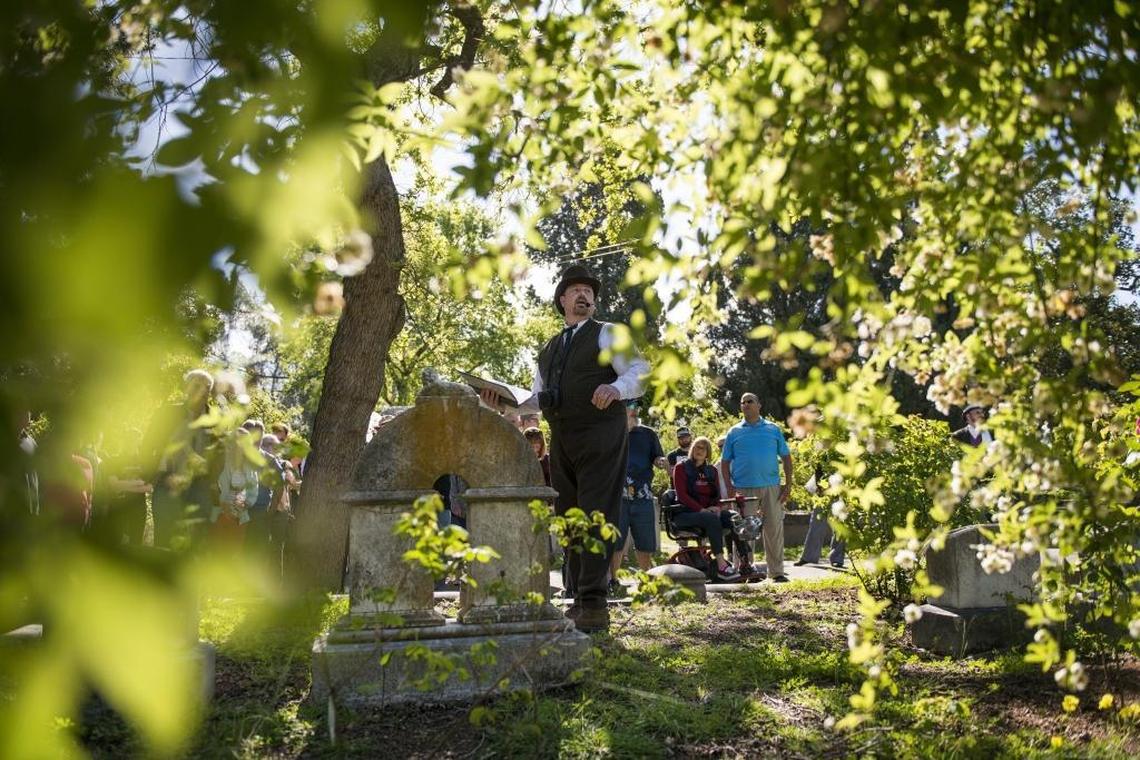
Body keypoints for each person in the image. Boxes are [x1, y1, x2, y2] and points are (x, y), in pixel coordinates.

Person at [488, 264, 648, 633]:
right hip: (563, 441)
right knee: (569, 516)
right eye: (575, 289)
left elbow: (640, 370)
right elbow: (534, 400)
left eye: (589, 291)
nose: (584, 295)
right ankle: (577, 597)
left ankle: (594, 604)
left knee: (595, 513)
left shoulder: (609, 333)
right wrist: (503, 403)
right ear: (562, 299)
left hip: (601, 438)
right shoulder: (549, 348)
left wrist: (616, 389)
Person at [721, 392, 794, 582]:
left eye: (750, 401)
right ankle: (744, 571)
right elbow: (724, 462)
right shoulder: (734, 432)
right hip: (744, 489)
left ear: (759, 405)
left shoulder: (773, 429)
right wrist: (729, 488)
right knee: (744, 531)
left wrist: (788, 484)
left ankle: (776, 572)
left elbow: (786, 457)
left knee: (774, 529)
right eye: (742, 402)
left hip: (771, 487)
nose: (745, 404)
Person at [145, 369, 219, 548]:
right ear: (186, 388)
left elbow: (220, 457)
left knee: (192, 545)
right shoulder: (168, 413)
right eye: (196, 386)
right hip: (167, 484)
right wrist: (152, 472)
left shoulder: (216, 421)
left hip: (199, 488)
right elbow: (148, 445)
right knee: (164, 540)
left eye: (206, 387)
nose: (201, 391)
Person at [608, 402, 668, 590]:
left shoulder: (648, 434)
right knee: (616, 541)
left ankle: (645, 580)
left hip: (643, 495)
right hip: (618, 496)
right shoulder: (612, 432)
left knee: (645, 540)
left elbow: (657, 456)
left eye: (635, 407)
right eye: (629, 406)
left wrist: (661, 461)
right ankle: (613, 580)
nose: (634, 410)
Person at [672, 436, 742, 581]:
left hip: (707, 513)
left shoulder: (712, 471)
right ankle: (721, 565)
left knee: (733, 516)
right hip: (685, 514)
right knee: (710, 518)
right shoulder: (681, 468)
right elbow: (682, 496)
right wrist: (702, 510)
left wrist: (716, 507)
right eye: (697, 447)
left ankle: (745, 562)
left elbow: (716, 495)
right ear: (692, 449)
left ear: (708, 453)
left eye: (703, 448)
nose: (699, 450)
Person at [794, 466, 846, 568]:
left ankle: (837, 558)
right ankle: (808, 557)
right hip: (823, 486)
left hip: (842, 486)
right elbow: (818, 466)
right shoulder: (824, 451)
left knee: (840, 524)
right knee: (816, 523)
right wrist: (819, 486)